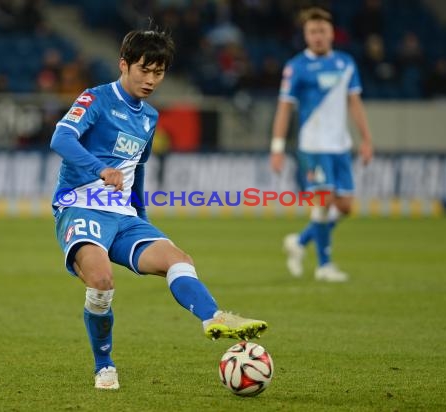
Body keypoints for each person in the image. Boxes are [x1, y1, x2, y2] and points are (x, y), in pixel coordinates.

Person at [49, 28, 267, 390]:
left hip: (125, 217)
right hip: (81, 207)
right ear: (124, 64)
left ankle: (214, 317)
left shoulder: (149, 117)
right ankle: (104, 365)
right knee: (101, 282)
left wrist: (143, 218)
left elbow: (139, 168)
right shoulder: (95, 99)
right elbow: (61, 137)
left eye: (159, 72)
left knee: (179, 258)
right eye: (144, 70)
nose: (151, 80)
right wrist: (100, 170)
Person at [269, 8, 373, 282]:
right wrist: (277, 147)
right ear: (305, 35)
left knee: (346, 206)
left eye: (322, 31)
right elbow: (284, 108)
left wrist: (366, 140)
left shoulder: (346, 63)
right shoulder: (296, 67)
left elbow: (355, 103)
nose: (317, 36)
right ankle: (324, 266)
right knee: (324, 199)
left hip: (340, 145)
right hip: (313, 144)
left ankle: (300, 241)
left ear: (331, 34)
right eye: (312, 32)